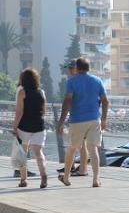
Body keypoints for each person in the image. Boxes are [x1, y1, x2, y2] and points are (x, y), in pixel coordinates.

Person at [56, 57, 107, 187]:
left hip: (77, 120)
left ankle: (66, 178)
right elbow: (105, 101)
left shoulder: (72, 81)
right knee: (93, 148)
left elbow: (67, 101)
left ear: (77, 68)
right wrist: (104, 119)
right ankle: (96, 179)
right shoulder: (97, 81)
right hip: (94, 119)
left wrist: (61, 121)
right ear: (89, 68)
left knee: (72, 148)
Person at [12, 67, 48, 188]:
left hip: (24, 127)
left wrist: (15, 126)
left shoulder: (21, 91)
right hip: (39, 126)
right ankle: (43, 176)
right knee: (39, 153)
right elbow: (44, 111)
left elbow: (19, 111)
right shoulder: (41, 92)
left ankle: (23, 180)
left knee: (23, 152)